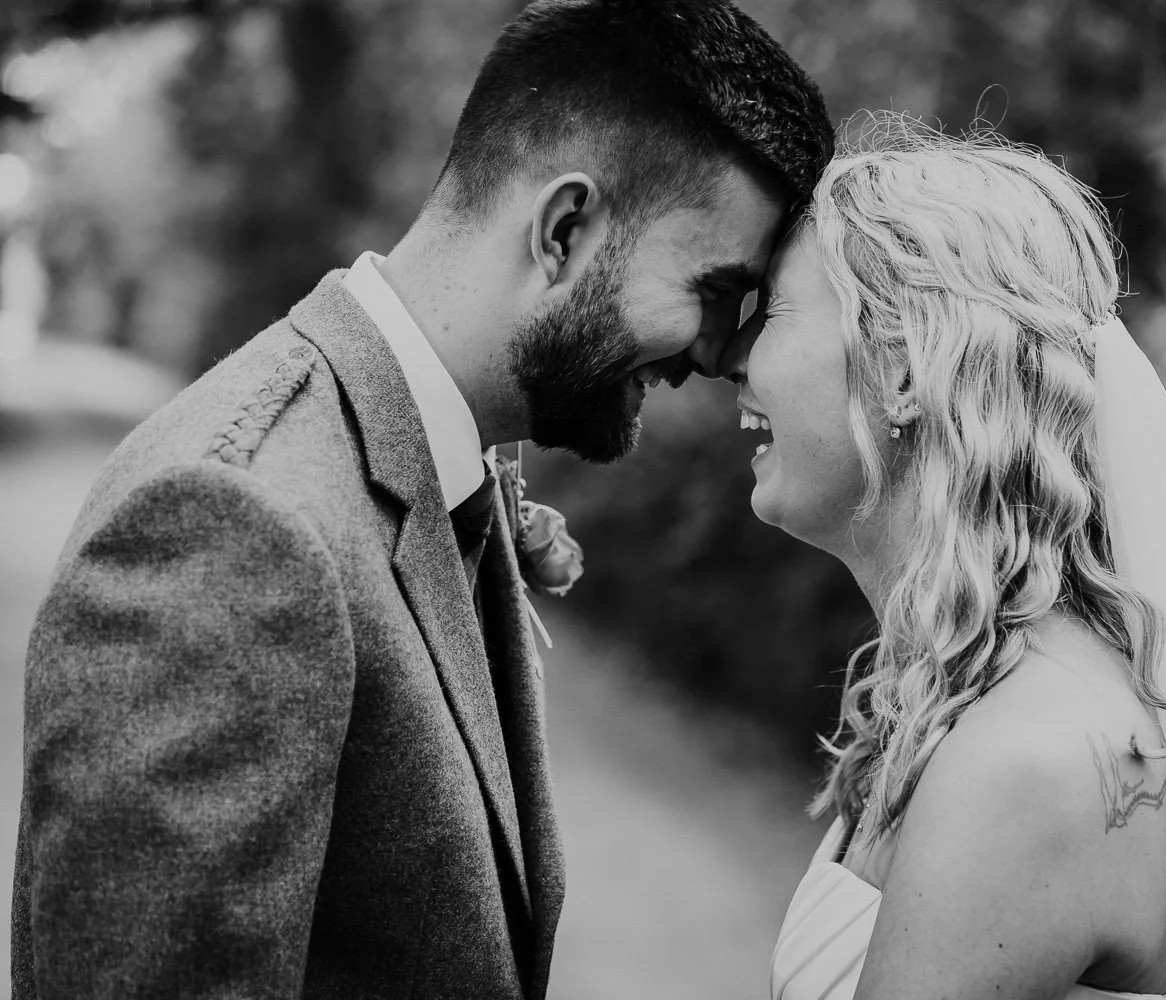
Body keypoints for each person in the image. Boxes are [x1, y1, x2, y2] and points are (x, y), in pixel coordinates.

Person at [9, 2, 832, 997]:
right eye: (712, 290)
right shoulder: (231, 521)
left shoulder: (426, 461)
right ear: (566, 229)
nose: (716, 353)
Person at [724, 115, 1166, 999]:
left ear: (902, 369)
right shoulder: (975, 701)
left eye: (775, 312)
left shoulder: (1022, 763)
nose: (732, 359)